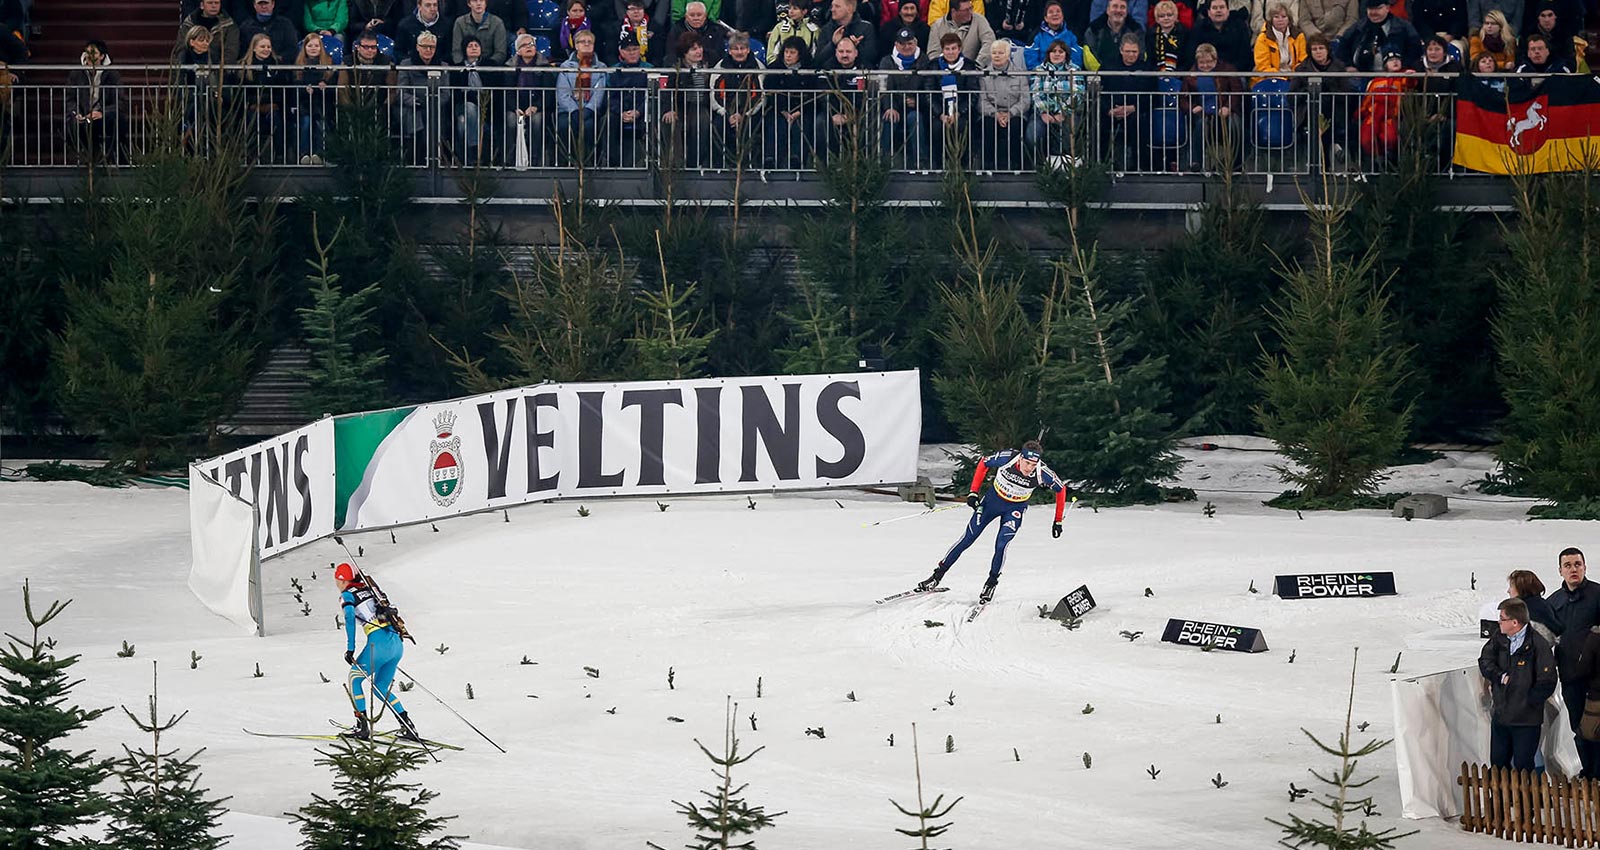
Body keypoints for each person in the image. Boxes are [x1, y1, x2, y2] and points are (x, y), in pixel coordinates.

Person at [914, 440, 1068, 603]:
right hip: (992, 503)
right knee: (967, 539)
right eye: (1027, 463)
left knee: (1001, 544)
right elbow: (984, 462)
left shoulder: (1041, 472)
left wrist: (1058, 520)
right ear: (1021, 458)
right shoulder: (1008, 458)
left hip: (1014, 509)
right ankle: (936, 577)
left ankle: (991, 583)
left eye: (1033, 464)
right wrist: (973, 492)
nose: (1029, 468)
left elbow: (1061, 489)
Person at [335, 562, 422, 743]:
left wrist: (350, 648)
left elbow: (349, 617)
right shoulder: (370, 589)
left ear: (342, 580)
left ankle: (362, 726)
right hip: (396, 644)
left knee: (354, 679)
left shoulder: (347, 595)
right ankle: (408, 726)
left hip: (379, 644)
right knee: (380, 688)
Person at [1480, 597, 1558, 772]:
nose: (1499, 622)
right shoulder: (1498, 638)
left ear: (1514, 622)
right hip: (1501, 716)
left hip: (1526, 720)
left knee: (1524, 767)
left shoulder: (1538, 644)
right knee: (1498, 766)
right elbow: (1485, 661)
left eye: (1502, 618)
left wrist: (1528, 702)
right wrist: (1500, 676)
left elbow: (1547, 681)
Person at [1551, 547, 1600, 773]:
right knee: (1578, 727)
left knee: (1597, 727)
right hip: (1570, 676)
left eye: (1577, 564)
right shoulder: (1554, 601)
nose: (1573, 569)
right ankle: (1587, 773)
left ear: (1585, 567)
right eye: (1568, 565)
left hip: (1597, 680)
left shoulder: (1597, 594)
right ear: (1560, 570)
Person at [1181, 41, 1241, 168]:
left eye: (1209, 62)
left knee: (1235, 124)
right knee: (1200, 125)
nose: (1205, 65)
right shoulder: (1190, 75)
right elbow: (1183, 98)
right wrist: (1192, 108)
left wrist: (1228, 107)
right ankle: (1196, 162)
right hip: (1202, 114)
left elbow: (1237, 92)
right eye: (1201, 63)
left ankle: (1234, 163)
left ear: (1215, 60)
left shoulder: (1227, 70)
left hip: (1224, 113)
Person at [1099, 31, 1154, 169]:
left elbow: (1154, 96)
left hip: (1136, 111)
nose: (1131, 55)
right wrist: (1109, 110)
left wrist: (1133, 108)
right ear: (1121, 50)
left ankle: (1139, 167)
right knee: (1097, 124)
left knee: (1139, 124)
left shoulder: (1147, 68)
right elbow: (1099, 92)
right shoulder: (1108, 65)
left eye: (1134, 52)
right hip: (1110, 111)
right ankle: (1101, 165)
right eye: (1128, 51)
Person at [65, 40, 125, 165]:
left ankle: (114, 160)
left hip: (104, 116)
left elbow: (119, 101)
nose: (89, 56)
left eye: (94, 53)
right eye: (87, 52)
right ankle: (87, 160)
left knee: (117, 120)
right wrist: (76, 113)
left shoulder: (112, 74)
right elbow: (70, 99)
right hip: (83, 114)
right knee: (74, 124)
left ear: (102, 56)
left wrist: (102, 113)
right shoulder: (76, 74)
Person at [879, 26, 931, 165]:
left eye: (909, 43)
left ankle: (920, 161)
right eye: (902, 44)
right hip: (894, 106)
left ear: (915, 42)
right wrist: (889, 107)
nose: (906, 47)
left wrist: (918, 101)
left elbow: (929, 87)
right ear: (896, 44)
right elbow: (884, 87)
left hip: (916, 108)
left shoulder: (924, 61)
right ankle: (883, 161)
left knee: (915, 118)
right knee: (889, 117)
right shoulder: (887, 61)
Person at [763, 36, 816, 168]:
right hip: (779, 109)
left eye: (792, 52)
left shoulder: (810, 68)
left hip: (802, 109)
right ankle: (771, 159)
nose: (788, 55)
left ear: (800, 54)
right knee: (775, 124)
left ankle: (797, 159)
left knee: (802, 124)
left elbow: (813, 94)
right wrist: (783, 111)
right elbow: (770, 92)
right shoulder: (774, 68)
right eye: (786, 52)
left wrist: (799, 111)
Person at [556, 28, 607, 162]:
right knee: (564, 126)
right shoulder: (566, 66)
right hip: (568, 111)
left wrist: (588, 110)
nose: (586, 44)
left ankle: (590, 162)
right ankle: (565, 162)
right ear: (576, 45)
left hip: (590, 111)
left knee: (590, 127)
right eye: (583, 41)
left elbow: (599, 92)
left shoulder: (601, 67)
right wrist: (574, 110)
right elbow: (563, 92)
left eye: (590, 42)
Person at [977, 37, 1029, 168]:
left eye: (1000, 53)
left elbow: (1025, 100)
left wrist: (1010, 113)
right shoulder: (984, 75)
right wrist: (996, 114)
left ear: (1008, 54)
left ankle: (1015, 164)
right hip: (991, 113)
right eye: (994, 53)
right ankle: (988, 164)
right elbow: (982, 101)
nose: (997, 56)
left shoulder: (1020, 74)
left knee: (1016, 126)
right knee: (988, 125)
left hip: (1015, 113)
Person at [1030, 37, 1084, 161]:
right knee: (1032, 135)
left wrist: (1063, 112)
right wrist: (1044, 112)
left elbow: (1077, 93)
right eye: (1053, 51)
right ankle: (1040, 165)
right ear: (1048, 54)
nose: (1057, 54)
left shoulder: (1074, 70)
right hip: (1043, 113)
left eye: (1061, 51)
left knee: (1069, 133)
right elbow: (1036, 93)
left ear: (1066, 54)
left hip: (1068, 113)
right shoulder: (1039, 70)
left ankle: (1066, 165)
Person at [239, 32, 290, 162]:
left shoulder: (278, 64)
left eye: (268, 47)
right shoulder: (243, 66)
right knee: (251, 120)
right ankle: (251, 156)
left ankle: (280, 155)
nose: (266, 49)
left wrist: (272, 104)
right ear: (254, 48)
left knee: (276, 119)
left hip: (273, 106)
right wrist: (254, 105)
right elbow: (242, 92)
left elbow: (282, 89)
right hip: (251, 107)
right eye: (262, 47)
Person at [606, 29, 651, 164]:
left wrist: (639, 112)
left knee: (653, 118)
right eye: (628, 50)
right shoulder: (613, 71)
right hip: (620, 111)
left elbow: (651, 95)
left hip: (642, 111)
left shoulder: (649, 69)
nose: (632, 53)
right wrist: (621, 112)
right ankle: (610, 162)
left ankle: (649, 161)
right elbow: (610, 95)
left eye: (635, 49)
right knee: (607, 120)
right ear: (621, 52)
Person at [1338, 0, 1421, 70]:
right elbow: (1342, 48)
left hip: (1396, 76)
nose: (1374, 12)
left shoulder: (1404, 28)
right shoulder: (1358, 28)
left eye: (1378, 8)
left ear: (1387, 8)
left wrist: (1404, 67)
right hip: (1360, 76)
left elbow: (1415, 51)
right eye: (1370, 9)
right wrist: (1348, 66)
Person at [292, 31, 336, 163]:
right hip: (304, 105)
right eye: (310, 45)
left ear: (321, 47)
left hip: (323, 104)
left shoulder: (329, 63)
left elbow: (333, 85)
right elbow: (294, 85)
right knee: (306, 123)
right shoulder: (298, 64)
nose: (313, 48)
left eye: (316, 46)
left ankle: (320, 154)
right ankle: (303, 154)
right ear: (304, 47)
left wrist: (325, 85)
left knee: (321, 124)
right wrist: (304, 88)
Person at [174, 0, 241, 65]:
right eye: (210, 3)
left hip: (217, 68)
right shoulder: (189, 24)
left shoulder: (229, 26)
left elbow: (231, 51)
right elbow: (181, 47)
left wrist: (219, 69)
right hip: (190, 66)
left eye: (217, 3)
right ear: (202, 5)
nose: (214, 6)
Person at [1252, 1, 1306, 81]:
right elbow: (1263, 67)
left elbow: (1303, 61)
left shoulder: (1298, 36)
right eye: (1276, 17)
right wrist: (1282, 77)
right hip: (1270, 79)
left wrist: (1294, 74)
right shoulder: (1263, 38)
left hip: (1294, 77)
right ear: (1271, 19)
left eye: (1284, 17)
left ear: (1289, 19)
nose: (1280, 20)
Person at [927, 0, 997, 61]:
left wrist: (977, 65)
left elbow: (989, 42)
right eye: (966, 10)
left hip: (974, 70)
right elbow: (933, 52)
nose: (970, 12)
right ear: (954, 11)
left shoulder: (980, 20)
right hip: (943, 70)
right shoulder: (937, 26)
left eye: (971, 8)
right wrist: (942, 67)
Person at [1190, 0, 1253, 67]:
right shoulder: (1199, 28)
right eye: (1214, 8)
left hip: (1234, 70)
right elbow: (1191, 54)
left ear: (1228, 11)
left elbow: (1245, 55)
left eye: (1222, 7)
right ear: (1209, 12)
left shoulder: (1239, 27)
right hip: (1206, 69)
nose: (1218, 11)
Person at [1024, 0, 1082, 66]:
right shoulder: (1037, 35)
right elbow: (1030, 57)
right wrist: (1042, 70)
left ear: (1062, 16)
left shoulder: (1072, 34)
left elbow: (1077, 58)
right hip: (1042, 71)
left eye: (1058, 11)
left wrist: (1067, 69)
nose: (1055, 14)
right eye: (1051, 12)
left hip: (1068, 71)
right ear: (1046, 18)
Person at [1084, 0, 1143, 64]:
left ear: (1126, 11)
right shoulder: (1093, 31)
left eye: (1122, 7)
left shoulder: (1136, 31)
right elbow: (1091, 59)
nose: (1118, 10)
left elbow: (1140, 56)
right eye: (1115, 6)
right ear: (1108, 10)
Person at [1146, 0, 1190, 70]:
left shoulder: (1185, 33)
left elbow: (1187, 59)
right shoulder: (1151, 34)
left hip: (1180, 73)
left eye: (1169, 15)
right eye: (1162, 16)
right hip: (1156, 73)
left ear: (1175, 16)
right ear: (1157, 19)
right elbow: (1150, 60)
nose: (1166, 18)